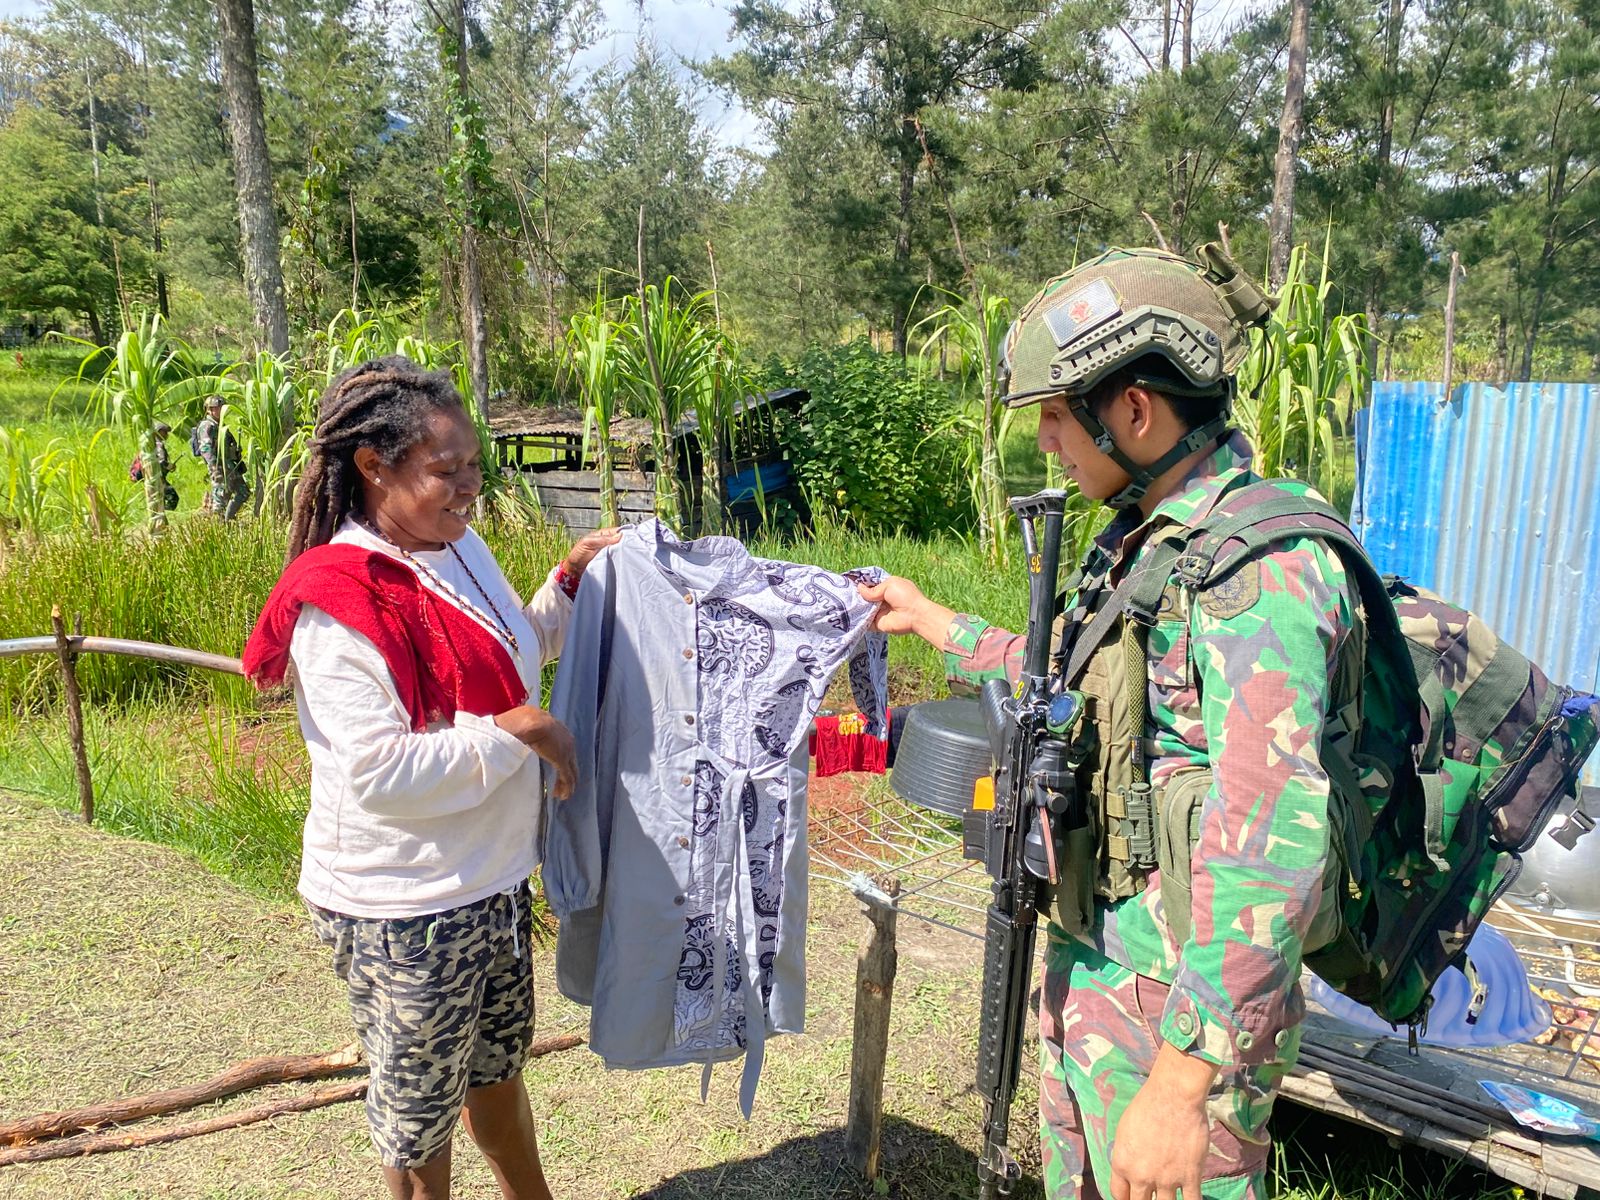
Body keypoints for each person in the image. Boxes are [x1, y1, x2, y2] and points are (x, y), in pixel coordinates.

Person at [859, 246, 1359, 1200]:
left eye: (1055, 415)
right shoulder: (1151, 538)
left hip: (1178, 1010)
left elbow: (1274, 848)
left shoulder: (1262, 568)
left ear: (1134, 409)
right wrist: (933, 620)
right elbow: (1077, 685)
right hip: (1101, 963)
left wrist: (1182, 1086)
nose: (1047, 441)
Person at [241, 355, 620, 1200]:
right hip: (404, 905)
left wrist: (569, 580)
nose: (468, 491)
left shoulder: (456, 547)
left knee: (497, 1076)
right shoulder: (338, 602)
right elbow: (383, 774)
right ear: (375, 468)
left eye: (475, 471)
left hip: (489, 880)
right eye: (446, 473)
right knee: (419, 1123)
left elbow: (509, 652)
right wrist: (522, 731)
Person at [194, 394, 250, 518]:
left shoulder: (220, 425)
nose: (221, 410)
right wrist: (214, 468)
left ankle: (228, 519)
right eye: (218, 408)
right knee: (220, 499)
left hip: (229, 466)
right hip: (219, 467)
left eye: (222, 407)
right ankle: (221, 526)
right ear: (210, 410)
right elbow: (205, 448)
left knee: (243, 492)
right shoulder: (207, 426)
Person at [129, 422, 180, 511]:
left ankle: (159, 512)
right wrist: (169, 466)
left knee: (160, 499)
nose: (166, 435)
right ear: (158, 432)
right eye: (165, 432)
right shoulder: (158, 444)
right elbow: (160, 462)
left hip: (151, 478)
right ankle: (160, 514)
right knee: (173, 497)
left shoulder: (149, 444)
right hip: (156, 478)